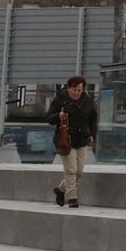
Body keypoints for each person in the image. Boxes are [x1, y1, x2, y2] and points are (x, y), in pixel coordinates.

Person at [49, 75, 98, 208]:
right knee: (71, 170)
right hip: (65, 139)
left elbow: (93, 119)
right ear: (69, 88)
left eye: (79, 90)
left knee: (79, 172)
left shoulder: (87, 100)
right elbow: (49, 118)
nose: (76, 92)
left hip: (82, 139)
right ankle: (72, 198)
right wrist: (59, 117)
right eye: (74, 90)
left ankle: (60, 189)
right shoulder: (60, 99)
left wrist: (92, 134)